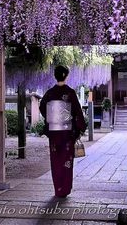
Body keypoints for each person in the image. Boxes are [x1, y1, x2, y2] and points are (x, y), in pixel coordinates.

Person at [39, 65, 87, 198]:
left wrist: (51, 118)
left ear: (55, 76)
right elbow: (77, 111)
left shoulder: (50, 93)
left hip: (54, 132)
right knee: (67, 161)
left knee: (55, 161)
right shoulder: (70, 93)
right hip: (67, 133)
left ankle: (58, 189)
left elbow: (42, 107)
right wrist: (80, 128)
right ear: (66, 76)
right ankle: (65, 189)